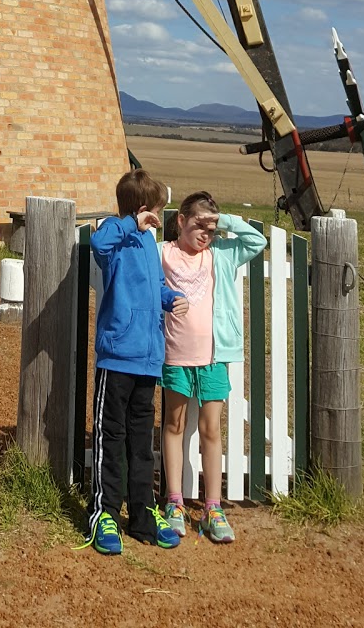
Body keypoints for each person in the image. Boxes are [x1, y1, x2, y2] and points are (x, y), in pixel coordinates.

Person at [86, 169, 188, 556]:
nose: (159, 219)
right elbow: (99, 242)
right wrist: (130, 223)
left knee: (142, 442)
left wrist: (169, 297)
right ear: (144, 209)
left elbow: (155, 284)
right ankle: (104, 514)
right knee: (110, 438)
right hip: (117, 358)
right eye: (156, 210)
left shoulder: (147, 243)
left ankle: (143, 514)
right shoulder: (117, 234)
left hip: (148, 360)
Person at [160, 191, 267, 544]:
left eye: (211, 227)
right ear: (180, 221)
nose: (204, 233)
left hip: (213, 357)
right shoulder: (164, 254)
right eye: (198, 225)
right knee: (173, 425)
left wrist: (225, 222)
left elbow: (257, 240)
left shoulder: (220, 253)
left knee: (210, 430)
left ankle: (212, 506)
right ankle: (174, 501)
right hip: (175, 354)